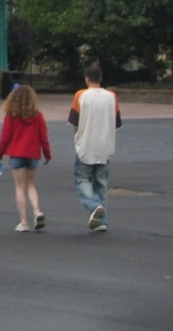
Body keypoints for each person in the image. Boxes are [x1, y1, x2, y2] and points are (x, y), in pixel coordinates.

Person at [69, 64, 122, 232]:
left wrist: (78, 138)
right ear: (101, 79)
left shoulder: (81, 95)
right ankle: (103, 221)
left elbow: (75, 122)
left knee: (82, 180)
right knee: (101, 183)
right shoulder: (112, 96)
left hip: (86, 145)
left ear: (87, 78)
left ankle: (94, 206)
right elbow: (116, 122)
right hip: (105, 146)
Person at [0, 85, 52, 232]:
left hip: (16, 154)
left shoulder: (11, 116)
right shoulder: (38, 116)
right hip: (33, 154)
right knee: (30, 185)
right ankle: (37, 211)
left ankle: (24, 221)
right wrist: (47, 154)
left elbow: (5, 138)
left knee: (19, 187)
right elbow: (44, 137)